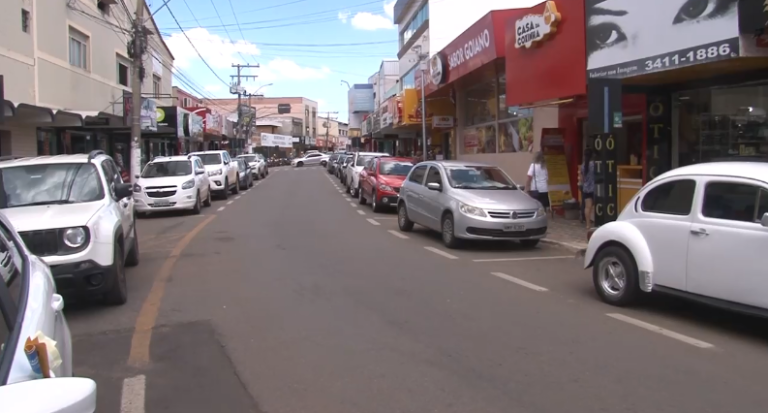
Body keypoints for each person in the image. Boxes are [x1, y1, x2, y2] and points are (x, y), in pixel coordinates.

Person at [526, 151, 552, 218]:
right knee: (543, 205)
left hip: (535, 189)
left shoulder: (533, 165)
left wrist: (527, 187)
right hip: (544, 189)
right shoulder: (544, 167)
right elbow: (547, 178)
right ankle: (543, 216)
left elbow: (529, 177)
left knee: (535, 205)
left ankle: (537, 217)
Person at [582, 148, 596, 229]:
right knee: (595, 207)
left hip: (586, 189)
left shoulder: (584, 165)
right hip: (594, 189)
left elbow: (583, 178)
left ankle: (588, 224)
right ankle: (595, 222)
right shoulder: (594, 164)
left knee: (587, 207)